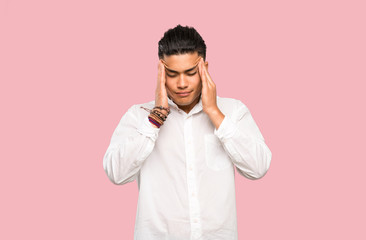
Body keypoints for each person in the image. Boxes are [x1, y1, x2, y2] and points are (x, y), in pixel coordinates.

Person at [103, 24, 272, 240]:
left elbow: (258, 168)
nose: (182, 83)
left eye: (191, 73)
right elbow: (116, 174)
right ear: (161, 72)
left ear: (205, 68)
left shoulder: (233, 111)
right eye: (172, 74)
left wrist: (214, 112)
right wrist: (156, 118)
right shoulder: (138, 116)